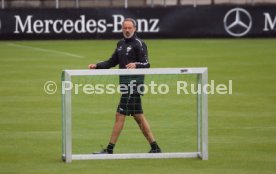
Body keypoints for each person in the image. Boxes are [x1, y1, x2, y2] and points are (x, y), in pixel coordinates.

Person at [88, 18, 161, 154]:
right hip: (125, 85)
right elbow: (112, 62)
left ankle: (109, 149)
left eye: (129, 28)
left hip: (134, 85)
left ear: (135, 29)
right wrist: (97, 66)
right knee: (138, 116)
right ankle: (155, 147)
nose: (127, 30)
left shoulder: (139, 44)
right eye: (124, 28)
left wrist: (136, 65)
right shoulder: (120, 43)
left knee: (119, 115)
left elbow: (147, 64)